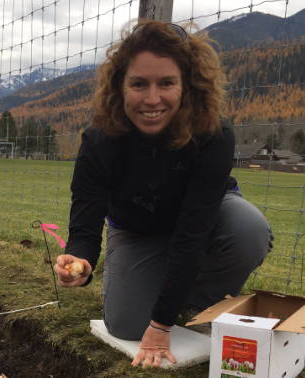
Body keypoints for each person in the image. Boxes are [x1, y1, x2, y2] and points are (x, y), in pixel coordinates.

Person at [54, 20, 273, 369]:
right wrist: (80, 259)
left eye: (167, 83)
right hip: (136, 230)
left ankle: (185, 301)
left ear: (187, 86)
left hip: (203, 221)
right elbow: (87, 216)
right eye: (139, 84)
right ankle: (164, 294)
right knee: (125, 325)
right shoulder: (99, 140)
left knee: (248, 230)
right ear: (120, 87)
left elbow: (193, 232)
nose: (152, 99)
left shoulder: (214, 135)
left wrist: (160, 325)